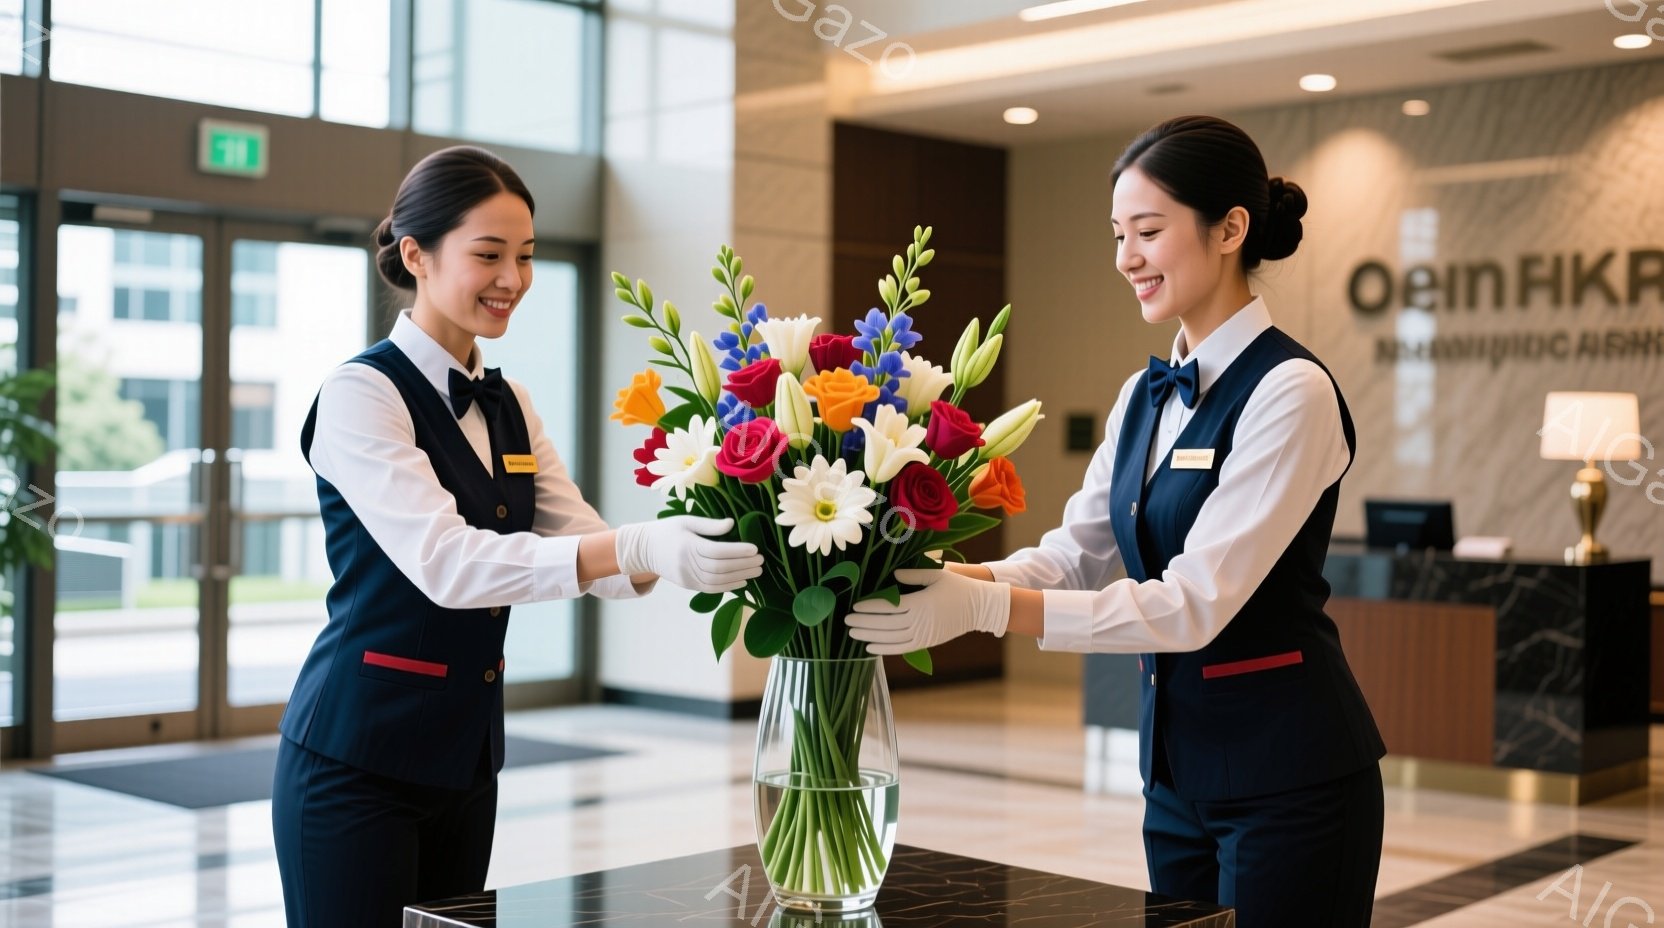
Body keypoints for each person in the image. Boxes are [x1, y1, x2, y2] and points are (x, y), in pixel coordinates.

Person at [845, 116, 1386, 927]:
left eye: (1148, 232)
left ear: (1231, 228)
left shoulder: (1290, 392)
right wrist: (955, 579)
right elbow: (1077, 552)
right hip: (1172, 778)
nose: (1125, 258)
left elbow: (1193, 603)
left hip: (1291, 782)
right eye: (1117, 234)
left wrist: (987, 611)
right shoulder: (1146, 393)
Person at [272, 145, 764, 928]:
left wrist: (713, 526)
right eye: (489, 255)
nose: (513, 280)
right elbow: (449, 565)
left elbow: (593, 553)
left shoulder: (511, 403)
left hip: (466, 764)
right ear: (416, 255)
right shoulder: (361, 393)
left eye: (527, 257)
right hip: (354, 762)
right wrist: (636, 547)